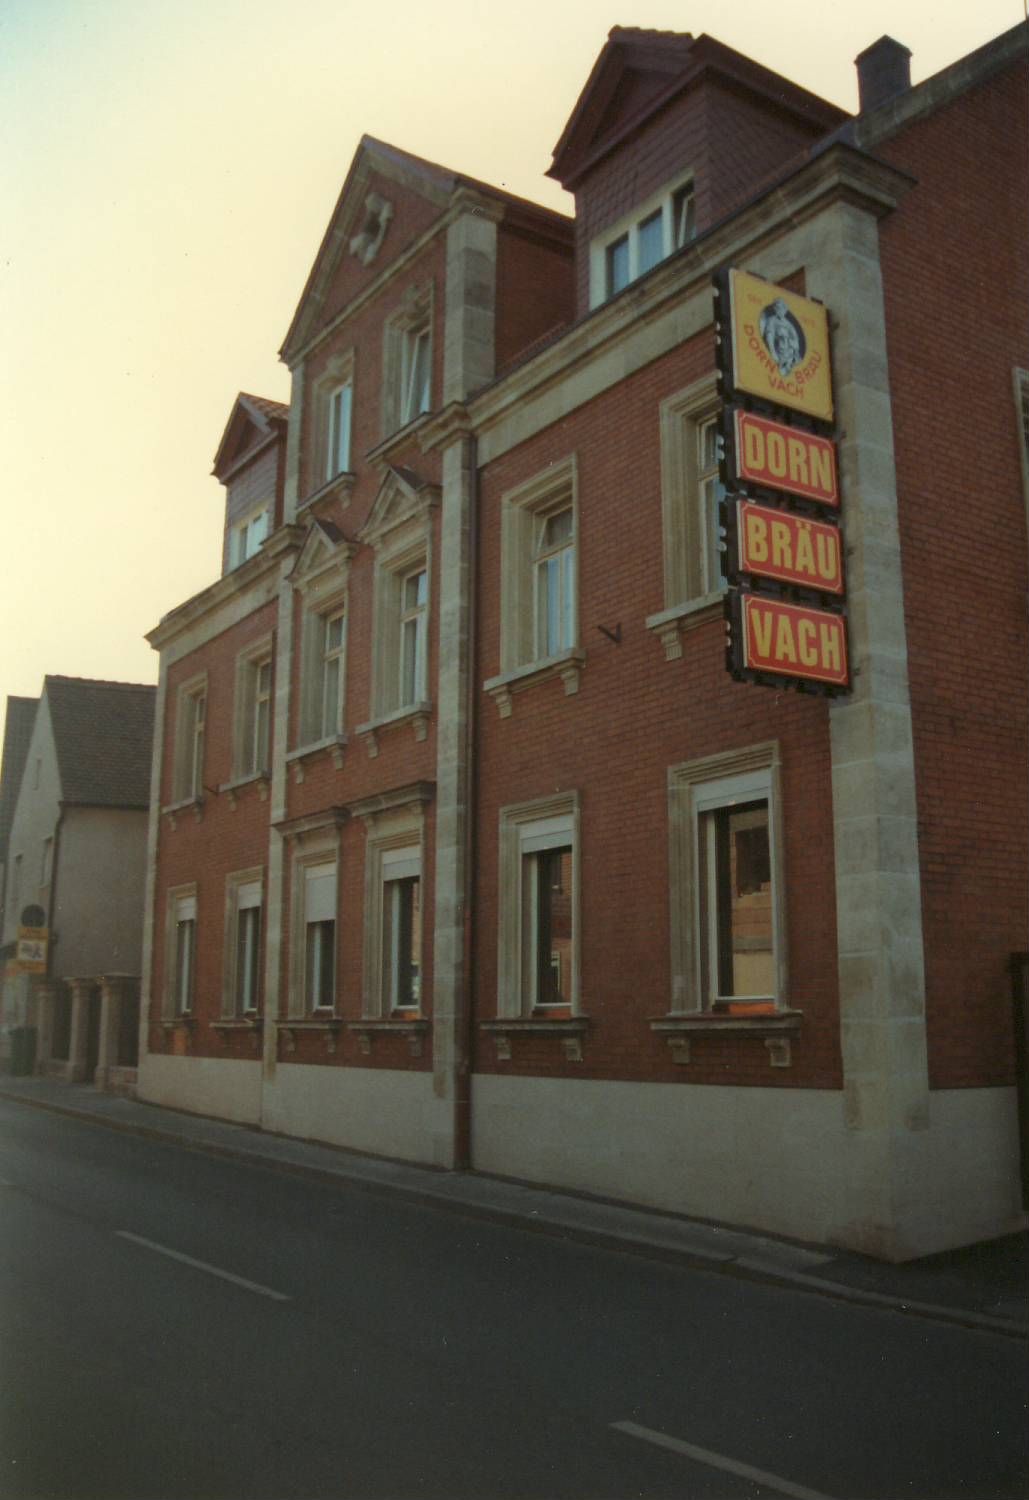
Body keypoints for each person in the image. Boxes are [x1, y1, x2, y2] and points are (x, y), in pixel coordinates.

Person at [759, 298, 805, 377]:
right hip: (778, 351)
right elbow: (769, 336)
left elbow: (795, 337)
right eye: (776, 308)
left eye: (780, 308)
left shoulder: (788, 324)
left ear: (784, 309)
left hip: (789, 352)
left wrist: (792, 349)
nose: (779, 310)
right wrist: (773, 353)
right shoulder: (772, 320)